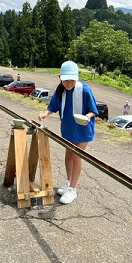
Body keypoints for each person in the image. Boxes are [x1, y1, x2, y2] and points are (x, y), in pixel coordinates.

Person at [38, 60, 98, 205]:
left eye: (72, 80)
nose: (69, 83)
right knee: (68, 155)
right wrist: (45, 114)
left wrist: (87, 117)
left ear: (77, 78)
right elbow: (53, 106)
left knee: (76, 156)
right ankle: (68, 181)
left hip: (83, 129)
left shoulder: (84, 89)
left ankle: (73, 189)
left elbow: (93, 110)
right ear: (60, 78)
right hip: (68, 129)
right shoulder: (60, 90)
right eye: (66, 80)